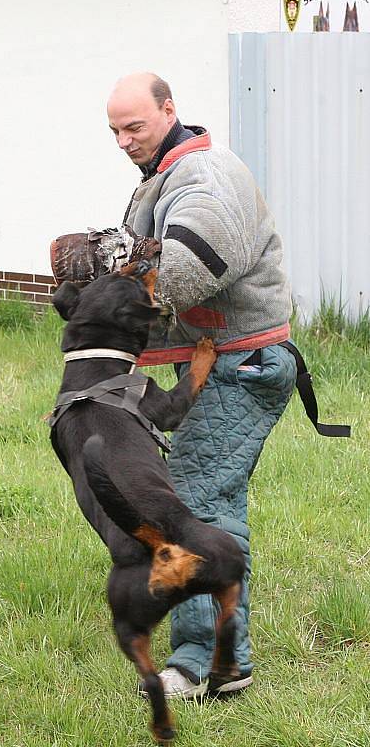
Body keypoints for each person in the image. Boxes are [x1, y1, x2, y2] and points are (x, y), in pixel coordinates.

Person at [106, 72, 297, 698]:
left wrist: (108, 269)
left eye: (134, 126)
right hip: (229, 363)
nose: (124, 141)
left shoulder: (204, 182)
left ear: (169, 110)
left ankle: (208, 661)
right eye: (114, 130)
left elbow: (179, 278)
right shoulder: (171, 172)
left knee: (191, 503)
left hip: (244, 366)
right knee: (210, 496)